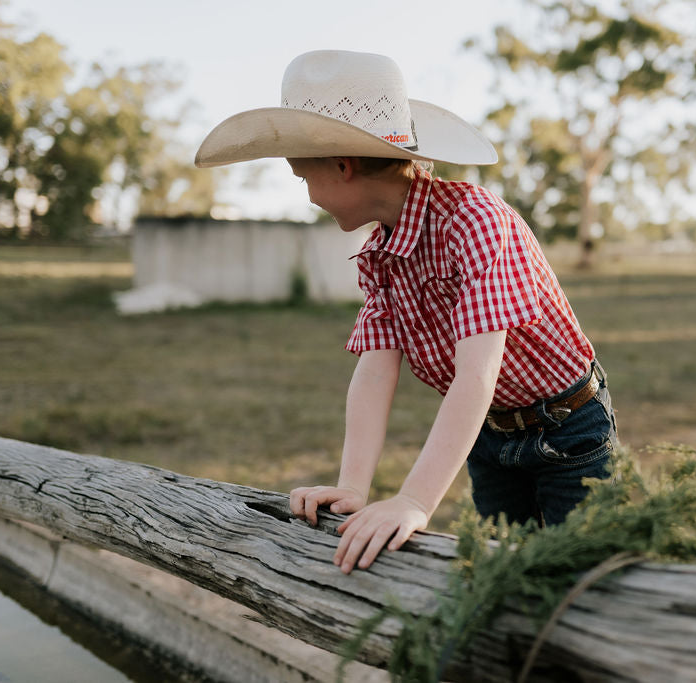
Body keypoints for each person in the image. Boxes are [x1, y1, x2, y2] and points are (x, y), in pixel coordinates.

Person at [195, 50, 618, 574]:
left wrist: (415, 500)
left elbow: (477, 374)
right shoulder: (379, 252)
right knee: (508, 578)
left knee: (584, 578)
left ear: (342, 167)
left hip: (568, 430)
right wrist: (353, 486)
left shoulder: (475, 221)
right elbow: (375, 370)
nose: (309, 197)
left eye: (304, 179)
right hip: (489, 435)